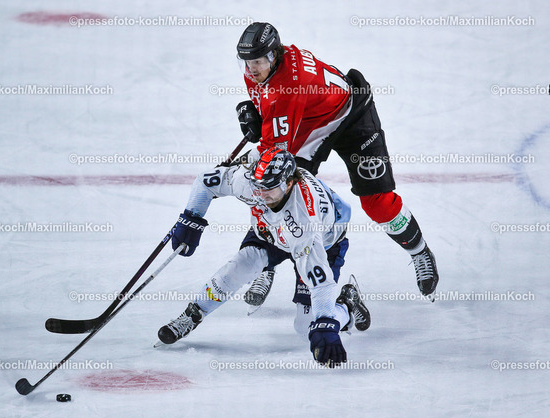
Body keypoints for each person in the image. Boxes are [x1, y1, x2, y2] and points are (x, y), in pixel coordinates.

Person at [234, 22, 439, 305]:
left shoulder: (289, 86)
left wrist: (240, 162)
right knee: (275, 186)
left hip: (352, 117)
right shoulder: (260, 71)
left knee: (377, 202)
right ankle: (265, 263)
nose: (251, 69)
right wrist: (255, 115)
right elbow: (270, 106)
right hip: (311, 125)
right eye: (247, 62)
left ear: (274, 55)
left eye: (257, 61)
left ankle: (419, 251)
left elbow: (273, 149)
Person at [157, 148, 371, 367]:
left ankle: (347, 305)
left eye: (268, 188)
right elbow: (206, 181)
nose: (260, 194)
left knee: (305, 326)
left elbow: (320, 281)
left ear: (289, 184)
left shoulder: (304, 221)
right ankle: (194, 313)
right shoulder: (249, 182)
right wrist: (191, 219)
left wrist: (326, 323)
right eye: (258, 187)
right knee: (237, 269)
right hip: (270, 231)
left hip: (324, 243)